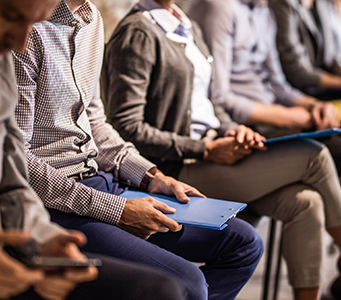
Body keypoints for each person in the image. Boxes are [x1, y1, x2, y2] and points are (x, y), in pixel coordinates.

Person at [12, 0, 264, 299]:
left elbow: (95, 123)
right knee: (189, 284)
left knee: (244, 242)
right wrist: (116, 210)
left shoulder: (91, 19)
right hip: (57, 204)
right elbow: (18, 161)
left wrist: (151, 176)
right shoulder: (24, 32)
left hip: (101, 181)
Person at [100, 0, 341, 299]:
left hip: (214, 148)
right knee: (315, 155)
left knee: (306, 203)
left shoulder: (188, 25)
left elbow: (211, 105)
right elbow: (126, 126)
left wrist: (234, 130)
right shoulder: (138, 31)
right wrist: (205, 149)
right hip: (178, 165)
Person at [0, 0, 192, 299]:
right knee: (169, 288)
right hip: (20, 218)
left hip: (19, 224)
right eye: (11, 16)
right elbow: (23, 162)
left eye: (34, 22)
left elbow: (10, 177)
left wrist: (46, 241)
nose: (20, 42)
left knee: (234, 246)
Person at [187, 0, 341, 177]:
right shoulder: (219, 8)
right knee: (330, 149)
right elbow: (219, 97)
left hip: (275, 115)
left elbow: (278, 85)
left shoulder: (264, 11)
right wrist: (290, 117)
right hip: (248, 125)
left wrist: (314, 105)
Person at [270, 0, 341, 100]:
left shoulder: (322, 3)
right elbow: (297, 73)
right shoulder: (282, 4)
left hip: (324, 85)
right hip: (302, 91)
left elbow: (331, 58)